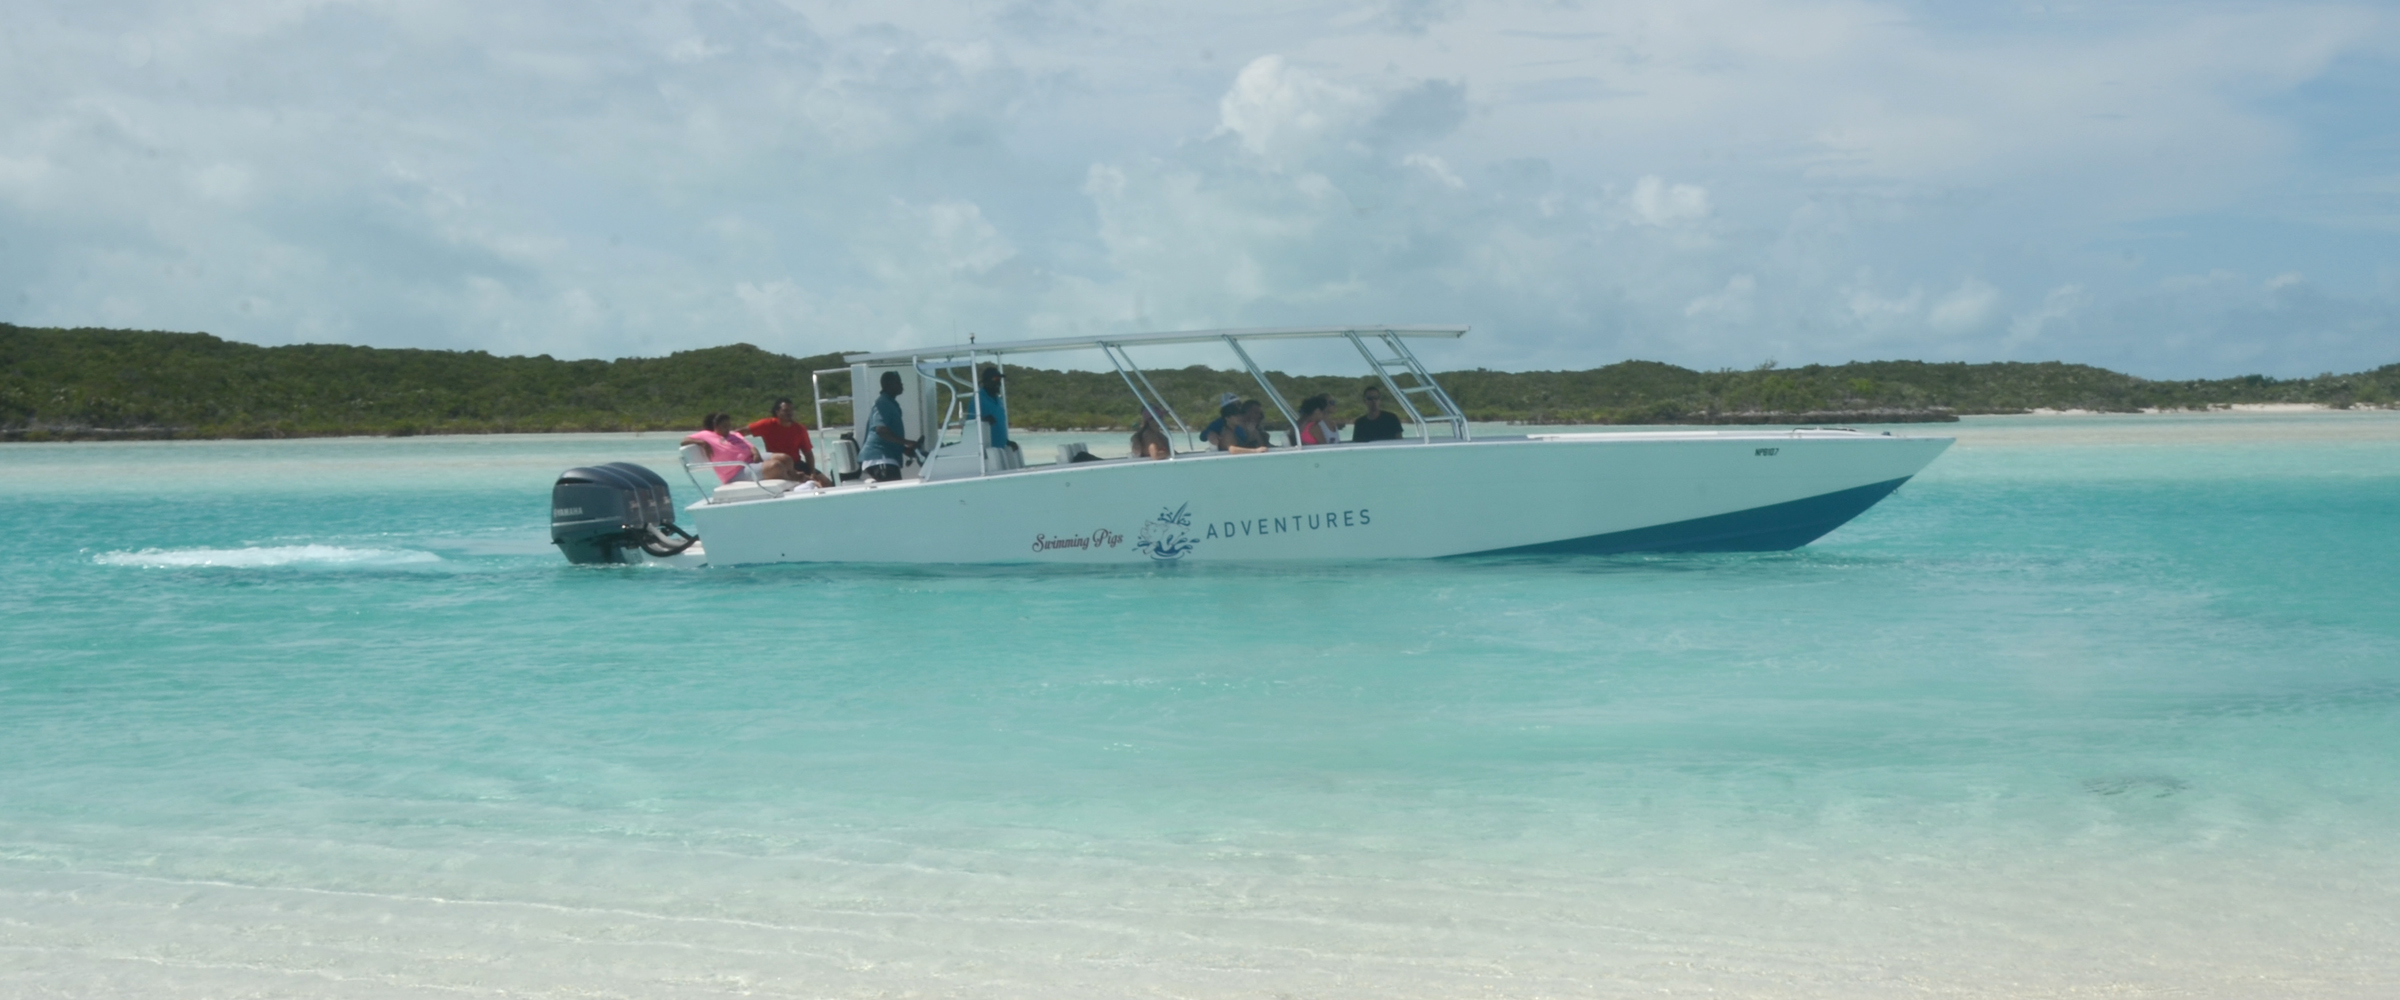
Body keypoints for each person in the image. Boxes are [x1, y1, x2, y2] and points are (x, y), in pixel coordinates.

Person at [745, 398, 831, 487]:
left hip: (797, 463)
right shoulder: (767, 424)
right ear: (777, 412)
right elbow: (740, 433)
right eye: (785, 410)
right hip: (778, 464)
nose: (789, 413)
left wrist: (812, 472)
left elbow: (808, 453)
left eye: (791, 410)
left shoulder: (800, 429)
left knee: (827, 483)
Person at [859, 371, 922, 482]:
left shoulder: (890, 403)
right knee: (895, 495)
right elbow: (881, 430)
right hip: (880, 458)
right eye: (897, 382)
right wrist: (907, 442)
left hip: (885, 458)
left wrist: (904, 450)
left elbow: (889, 435)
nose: (901, 385)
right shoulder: (883, 403)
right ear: (888, 385)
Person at [681, 412, 765, 484]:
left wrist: (755, 453)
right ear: (716, 426)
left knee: (777, 458)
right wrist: (702, 443)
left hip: (749, 461)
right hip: (736, 470)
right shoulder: (706, 435)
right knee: (775, 465)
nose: (727, 429)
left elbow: (750, 445)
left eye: (729, 426)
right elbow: (684, 441)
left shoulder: (732, 434)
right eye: (724, 426)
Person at [969, 365, 1015, 454]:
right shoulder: (978, 399)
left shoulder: (999, 400)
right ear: (986, 381)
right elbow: (970, 424)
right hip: (988, 453)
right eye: (995, 379)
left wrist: (1007, 442)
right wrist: (983, 420)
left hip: (1000, 451)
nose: (998, 383)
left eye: (999, 380)